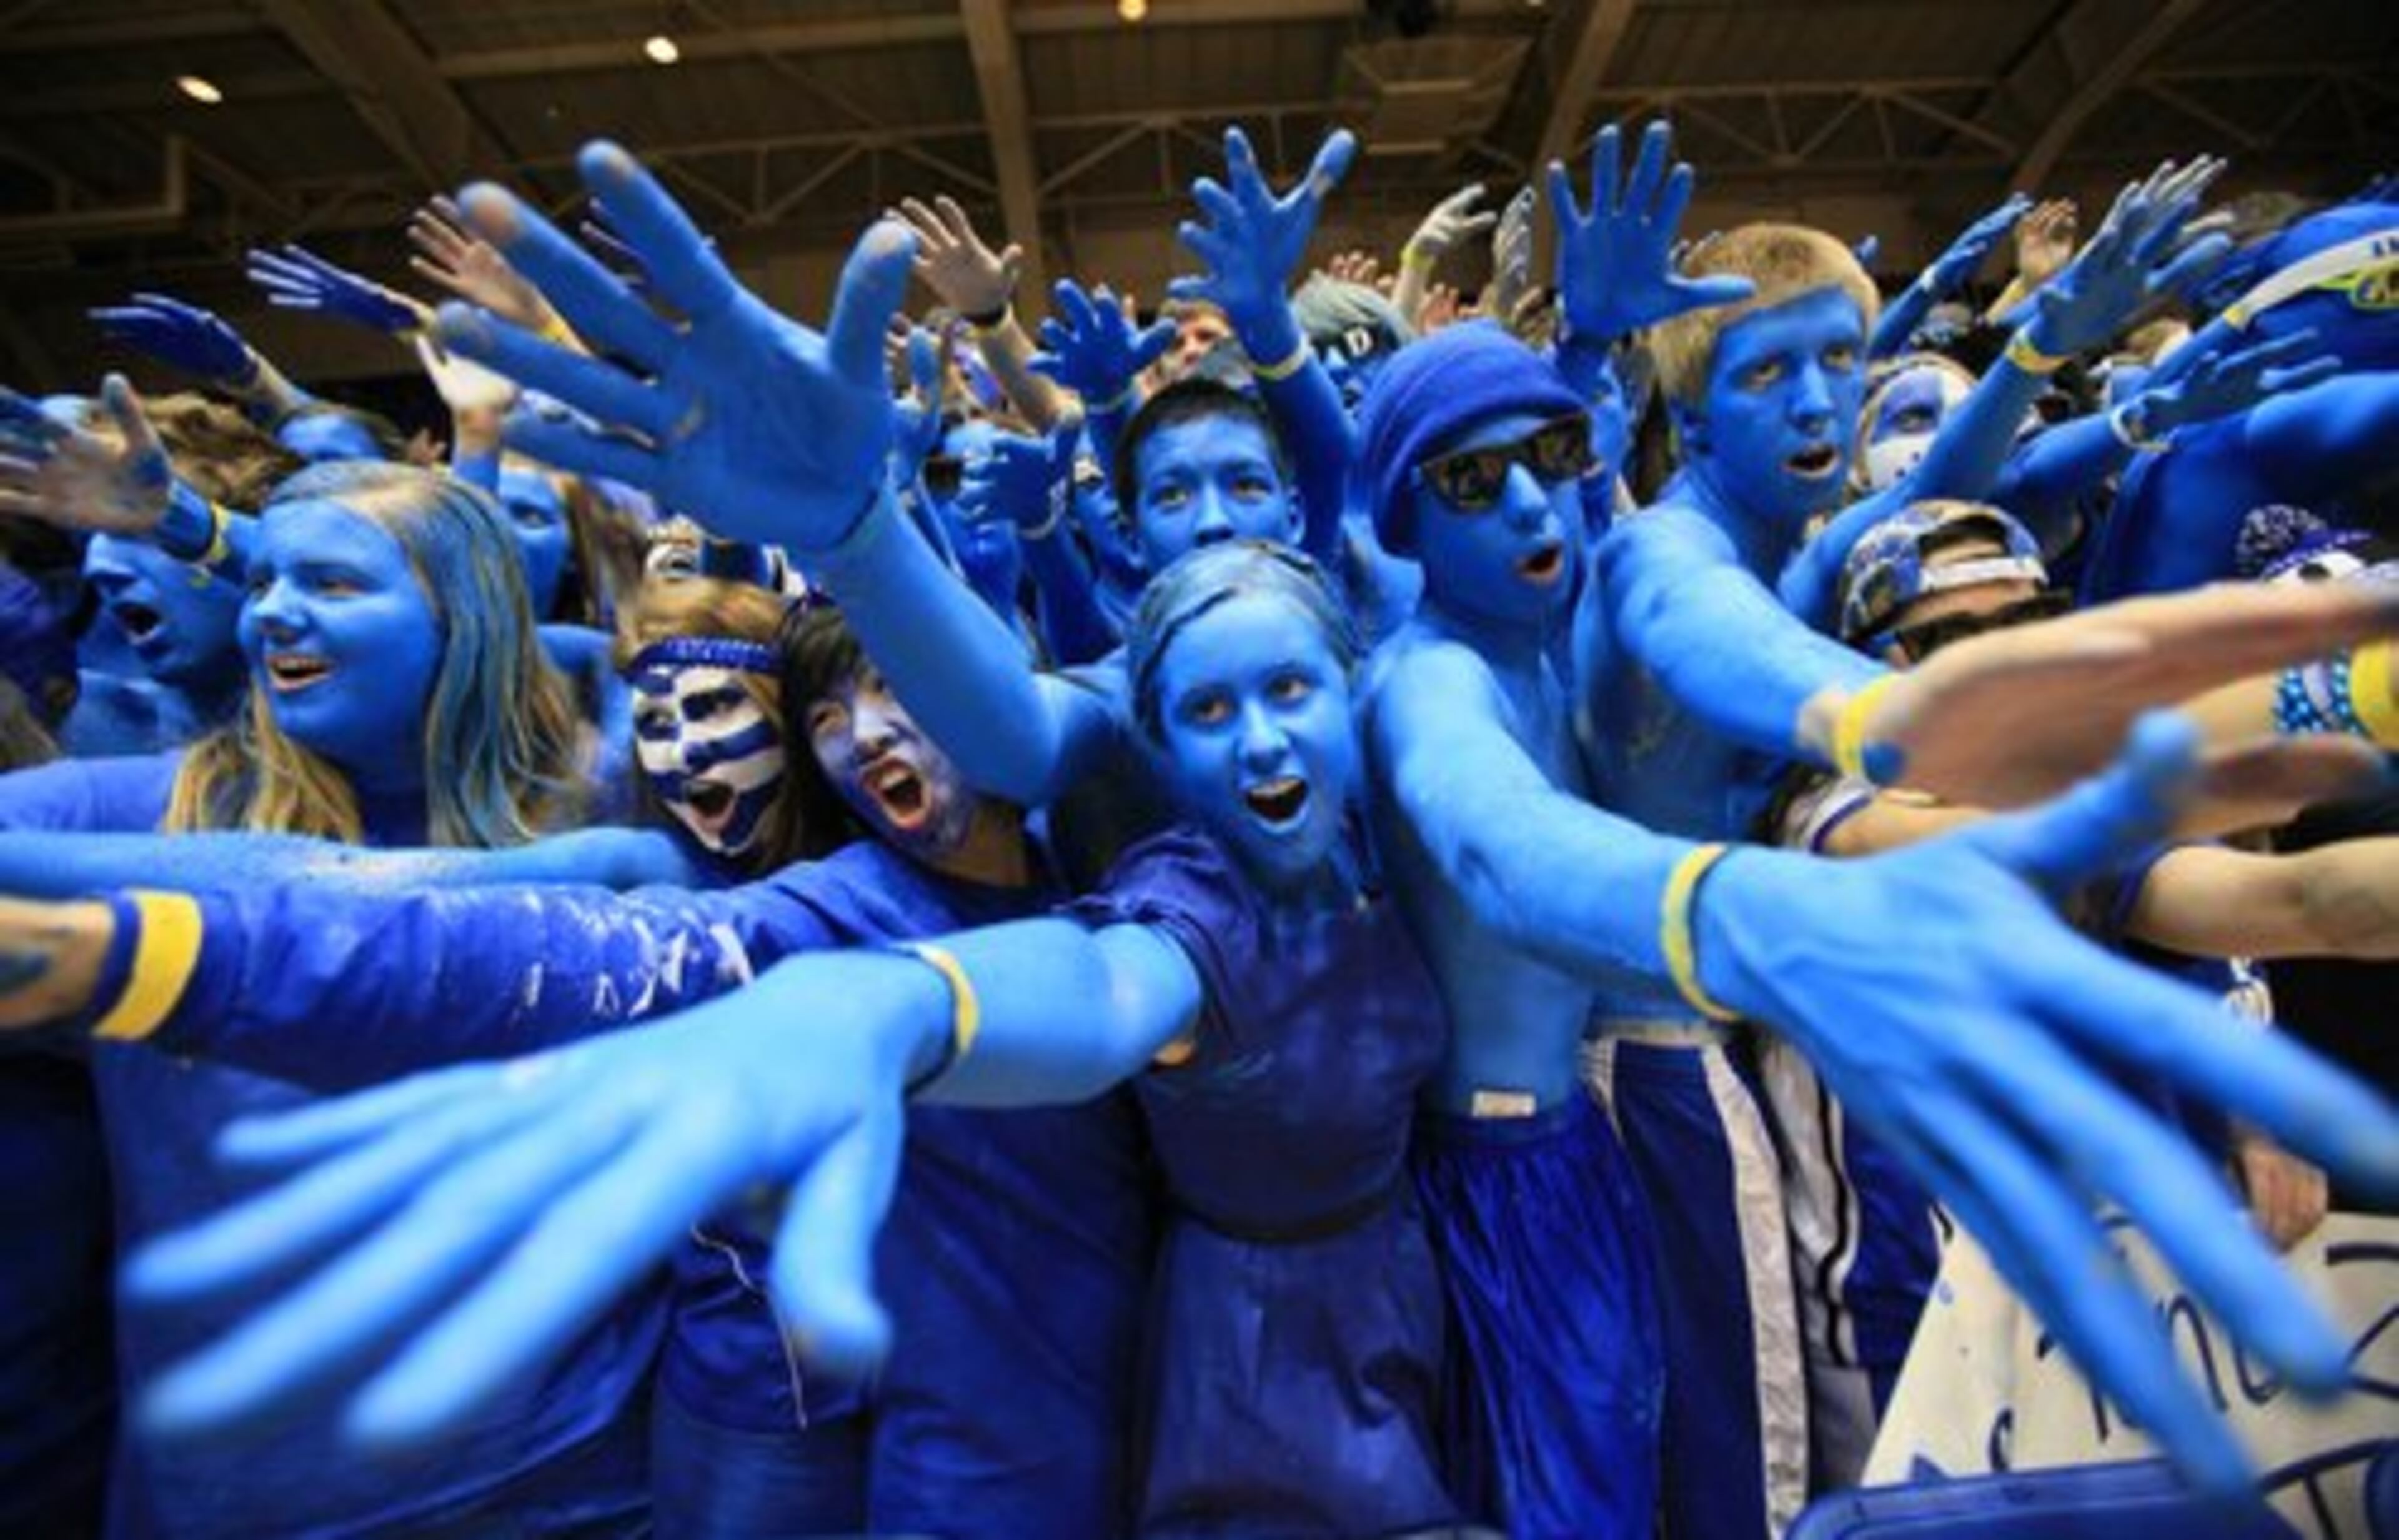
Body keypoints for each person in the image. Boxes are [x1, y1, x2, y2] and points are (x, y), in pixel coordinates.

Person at [335, 139, 2395, 1506]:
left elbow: (1627, 659)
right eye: (1183, 509)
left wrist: (2289, 704)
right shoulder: (1188, 718)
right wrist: (869, 533)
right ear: (1131, 558)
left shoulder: (1459, 611)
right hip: (1299, 1258)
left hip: (1544, 1169)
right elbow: (1068, 783)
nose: (1230, 542)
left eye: (1263, 504)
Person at [0, 460, 655, 1537]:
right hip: (248, 1494)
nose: (271, 614)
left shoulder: (605, 794)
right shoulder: (152, 805)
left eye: (332, 584)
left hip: (577, 1474)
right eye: (259, 583)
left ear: (468, 618)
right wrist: (431, 889)